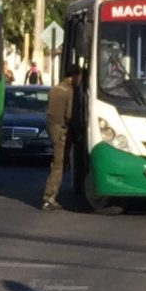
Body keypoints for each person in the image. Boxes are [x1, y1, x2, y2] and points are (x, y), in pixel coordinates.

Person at [41, 65, 82, 211]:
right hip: (62, 132)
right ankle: (49, 197)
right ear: (74, 76)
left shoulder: (54, 89)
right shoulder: (69, 92)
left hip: (52, 129)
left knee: (57, 163)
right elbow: (70, 115)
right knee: (58, 165)